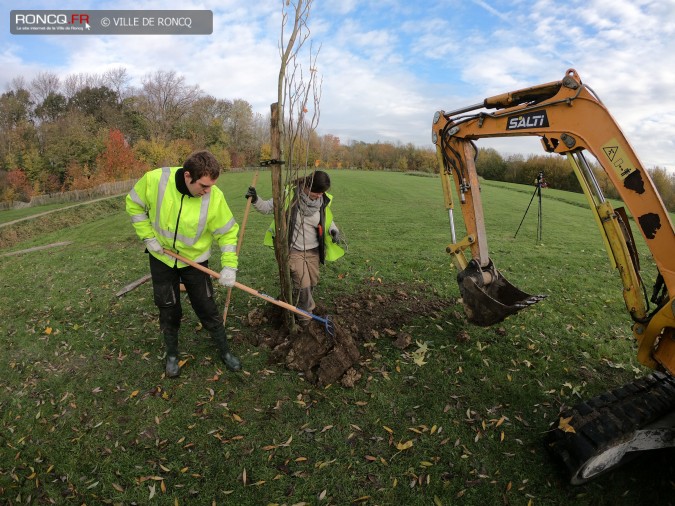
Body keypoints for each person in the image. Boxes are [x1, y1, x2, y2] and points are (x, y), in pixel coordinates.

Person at [126, 150, 241, 378]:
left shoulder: (213, 197)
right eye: (203, 186)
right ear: (188, 176)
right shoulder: (155, 180)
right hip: (161, 258)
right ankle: (171, 355)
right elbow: (134, 204)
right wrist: (148, 237)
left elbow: (227, 233)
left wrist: (229, 266)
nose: (208, 191)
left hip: (195, 262)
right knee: (168, 308)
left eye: (210, 186)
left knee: (207, 307)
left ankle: (225, 351)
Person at [245, 170, 344, 324]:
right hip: (294, 251)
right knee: (302, 285)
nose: (319, 195)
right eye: (316, 192)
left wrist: (334, 231)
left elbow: (327, 220)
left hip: (314, 251)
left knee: (312, 282)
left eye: (322, 192)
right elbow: (266, 208)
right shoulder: (289, 196)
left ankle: (300, 306)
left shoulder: (322, 201)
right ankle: (305, 319)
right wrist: (255, 199)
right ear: (306, 185)